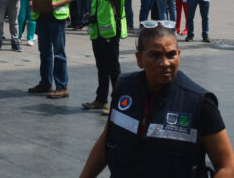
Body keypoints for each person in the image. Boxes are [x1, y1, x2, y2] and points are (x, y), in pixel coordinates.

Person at [79, 23, 234, 177]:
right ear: (139, 59)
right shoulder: (124, 88)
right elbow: (107, 139)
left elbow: (227, 167)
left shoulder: (199, 102)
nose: (165, 63)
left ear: (179, 55)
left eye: (171, 54)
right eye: (155, 55)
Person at [28, 0, 76, 99]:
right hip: (41, 16)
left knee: (59, 53)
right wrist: (31, 1)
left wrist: (58, 4)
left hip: (57, 17)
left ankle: (62, 86)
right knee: (45, 53)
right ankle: (46, 83)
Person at [82, 0, 126, 112]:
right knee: (101, 67)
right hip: (98, 31)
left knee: (113, 67)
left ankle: (117, 102)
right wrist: (89, 14)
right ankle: (101, 99)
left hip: (110, 32)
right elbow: (97, 3)